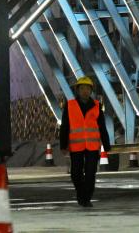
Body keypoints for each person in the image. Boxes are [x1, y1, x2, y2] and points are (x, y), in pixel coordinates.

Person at [59, 76, 111, 207]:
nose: (85, 91)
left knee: (90, 173)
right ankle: (81, 194)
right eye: (82, 88)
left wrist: (106, 144)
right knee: (76, 174)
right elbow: (64, 126)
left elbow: (102, 127)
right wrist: (63, 144)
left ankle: (86, 198)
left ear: (91, 90)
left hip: (92, 147)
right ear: (77, 90)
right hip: (76, 146)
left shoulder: (97, 106)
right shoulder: (70, 105)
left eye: (87, 88)